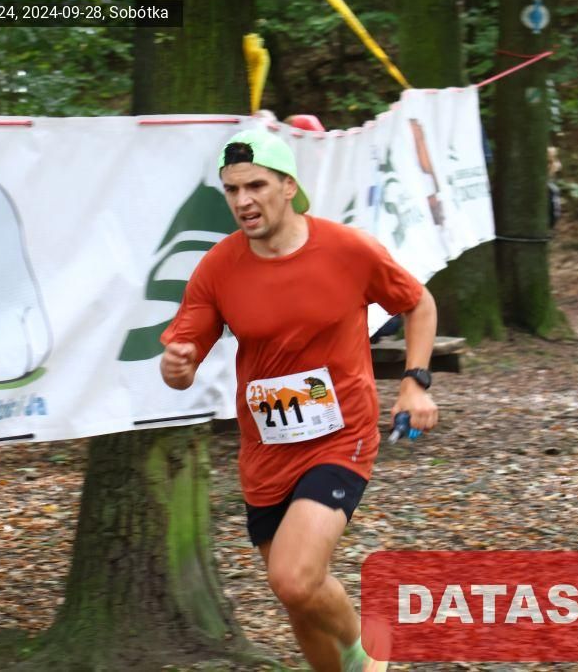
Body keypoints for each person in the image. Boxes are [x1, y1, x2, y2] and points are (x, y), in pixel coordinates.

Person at [160, 129, 438, 672]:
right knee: (299, 600)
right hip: (266, 451)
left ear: (288, 186)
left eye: (256, 186)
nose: (243, 201)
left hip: (340, 435)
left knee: (292, 577)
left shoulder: (347, 249)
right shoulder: (218, 267)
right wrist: (177, 366)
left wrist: (415, 382)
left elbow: (418, 303)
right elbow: (182, 365)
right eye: (232, 190)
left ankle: (370, 651)